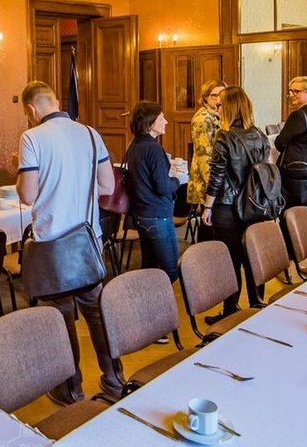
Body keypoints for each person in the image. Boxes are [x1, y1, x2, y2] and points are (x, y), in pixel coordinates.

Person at [16, 80, 120, 402]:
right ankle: (115, 380)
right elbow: (108, 187)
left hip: (53, 242)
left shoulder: (32, 138)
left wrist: (23, 179)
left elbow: (28, 195)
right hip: (88, 239)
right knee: (96, 310)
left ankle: (71, 388)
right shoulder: (90, 133)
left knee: (62, 314)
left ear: (31, 109)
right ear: (57, 102)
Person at [201, 86, 272, 315]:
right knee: (253, 255)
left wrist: (207, 207)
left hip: (228, 206)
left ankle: (230, 310)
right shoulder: (259, 134)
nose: (217, 108)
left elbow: (217, 176)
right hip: (255, 204)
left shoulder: (225, 136)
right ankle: (257, 303)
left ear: (230, 108)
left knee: (231, 260)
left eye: (220, 104)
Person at [123, 101, 183, 285]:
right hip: (157, 216)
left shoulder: (134, 145)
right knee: (170, 271)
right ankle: (161, 302)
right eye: (161, 118)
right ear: (150, 122)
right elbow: (162, 187)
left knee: (149, 268)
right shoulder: (154, 149)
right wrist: (177, 180)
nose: (166, 121)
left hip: (140, 214)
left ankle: (148, 301)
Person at [275, 76, 307, 209]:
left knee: (294, 212)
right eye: (291, 91)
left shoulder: (298, 116)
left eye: (296, 91)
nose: (291, 95)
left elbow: (279, 143)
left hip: (297, 172)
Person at [186, 79, 226, 218]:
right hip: (206, 181)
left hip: (216, 179)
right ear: (205, 97)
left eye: (221, 94)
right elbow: (204, 155)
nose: (218, 98)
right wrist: (213, 187)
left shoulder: (218, 115)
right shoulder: (203, 119)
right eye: (214, 95)